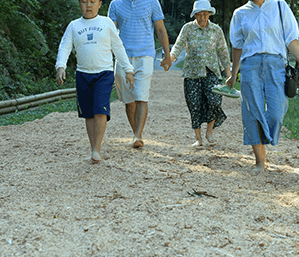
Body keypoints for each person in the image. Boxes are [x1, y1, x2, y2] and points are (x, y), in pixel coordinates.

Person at [227, 0, 299, 172]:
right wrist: (233, 73)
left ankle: (263, 138)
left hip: (276, 65)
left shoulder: (280, 6)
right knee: (252, 113)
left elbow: (291, 38)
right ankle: (260, 162)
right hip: (250, 66)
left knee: (276, 113)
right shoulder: (240, 13)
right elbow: (237, 47)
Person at [55, 0, 134, 164]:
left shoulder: (106, 23)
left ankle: (97, 149)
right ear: (79, 4)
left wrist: (128, 69)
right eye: (84, 2)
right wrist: (60, 67)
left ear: (99, 4)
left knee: (100, 110)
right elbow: (65, 46)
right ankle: (93, 149)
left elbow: (118, 46)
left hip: (103, 74)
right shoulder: (74, 25)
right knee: (88, 114)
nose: (88, 5)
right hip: (83, 74)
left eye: (92, 2)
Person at [108, 0, 172, 148]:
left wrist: (167, 55)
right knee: (129, 99)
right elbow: (110, 32)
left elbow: (160, 29)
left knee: (141, 96)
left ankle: (138, 135)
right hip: (122, 56)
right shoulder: (115, 4)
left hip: (145, 55)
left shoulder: (152, 2)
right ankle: (136, 133)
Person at [170, 0, 231, 147]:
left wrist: (229, 75)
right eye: (199, 14)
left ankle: (209, 132)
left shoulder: (216, 30)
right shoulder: (188, 28)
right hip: (192, 72)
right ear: (194, 15)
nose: (202, 17)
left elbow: (223, 53)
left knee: (214, 101)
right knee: (194, 104)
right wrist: (170, 58)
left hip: (212, 72)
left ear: (209, 14)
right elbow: (178, 46)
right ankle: (198, 138)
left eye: (205, 14)